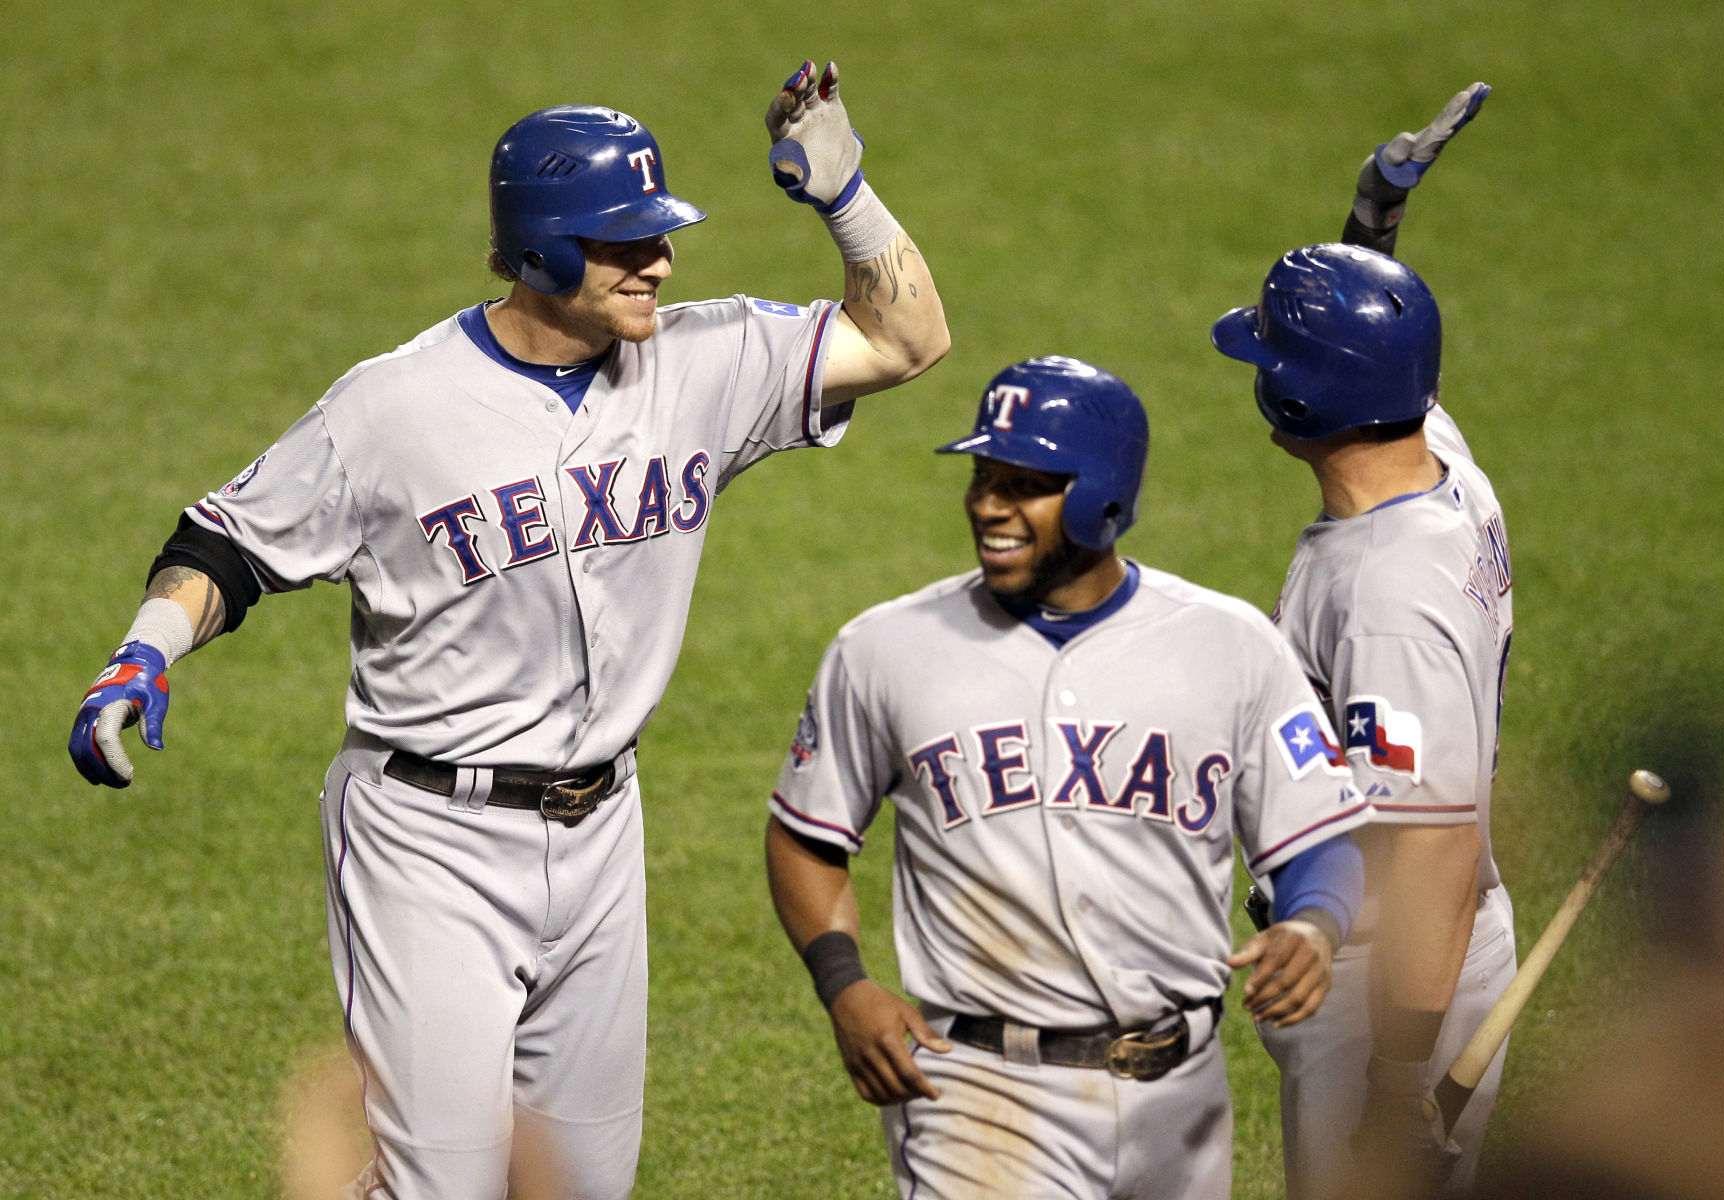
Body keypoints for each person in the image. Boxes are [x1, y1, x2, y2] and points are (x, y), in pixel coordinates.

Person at [68, 60, 948, 1200]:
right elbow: (223, 545)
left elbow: (908, 342)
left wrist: (846, 193)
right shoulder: (393, 407)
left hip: (603, 833)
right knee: (442, 1185)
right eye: (626, 244)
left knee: (585, 1184)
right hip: (427, 839)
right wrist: (145, 651)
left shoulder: (703, 362)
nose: (662, 263)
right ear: (540, 255)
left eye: (660, 237)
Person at [764, 356, 1374, 1199]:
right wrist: (845, 985)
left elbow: (1318, 836)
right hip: (981, 1098)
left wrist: (1313, 928)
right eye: (983, 478)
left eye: (1025, 485)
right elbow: (805, 835)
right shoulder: (884, 650)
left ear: (1102, 495)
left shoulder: (1228, 646)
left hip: (1180, 1097)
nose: (988, 506)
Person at [1210, 84, 1516, 1199]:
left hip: (1395, 982)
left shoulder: (1389, 596)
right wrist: (1372, 220)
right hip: (1411, 951)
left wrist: (1395, 1074)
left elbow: (1427, 841)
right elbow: (1377, 359)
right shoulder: (1437, 461)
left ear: (1294, 404)